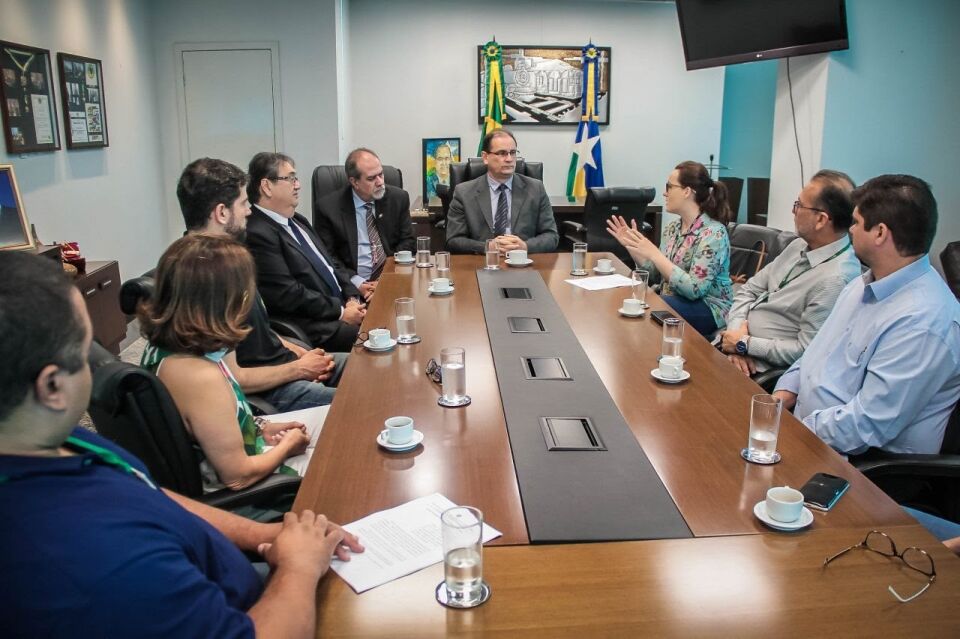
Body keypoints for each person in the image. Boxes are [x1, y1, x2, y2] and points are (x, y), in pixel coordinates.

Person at [0, 251, 362, 638]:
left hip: (232, 566)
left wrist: (268, 535)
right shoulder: (90, 559)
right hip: (259, 605)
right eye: (85, 345)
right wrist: (298, 567)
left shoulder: (50, 440)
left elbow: (150, 492)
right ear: (53, 387)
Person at [774, 174, 960, 455]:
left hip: (863, 469)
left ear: (880, 233)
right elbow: (816, 351)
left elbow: (868, 425)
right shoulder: (862, 284)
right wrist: (784, 392)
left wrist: (794, 431)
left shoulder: (924, 321)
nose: (849, 230)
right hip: (811, 434)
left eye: (856, 223)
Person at [140, 234, 317, 488]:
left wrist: (261, 428)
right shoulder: (199, 377)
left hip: (252, 452)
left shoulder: (169, 347)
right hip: (258, 492)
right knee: (347, 453)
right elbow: (238, 476)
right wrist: (287, 446)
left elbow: (209, 424)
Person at [177, 157, 347, 411]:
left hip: (285, 364)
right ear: (222, 213)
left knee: (373, 367)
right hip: (271, 390)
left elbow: (254, 330)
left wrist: (298, 352)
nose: (249, 211)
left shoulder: (228, 259)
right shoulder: (204, 277)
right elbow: (232, 378)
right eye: (244, 203)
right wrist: (297, 369)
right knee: (368, 397)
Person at [718, 170, 862, 376]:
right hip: (731, 345)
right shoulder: (798, 246)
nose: (793, 211)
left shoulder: (835, 279)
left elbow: (805, 351)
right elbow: (749, 289)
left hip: (757, 369)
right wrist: (735, 335)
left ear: (821, 219)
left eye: (799, 205)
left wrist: (745, 344)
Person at [245, 152, 366, 352]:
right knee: (376, 336)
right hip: (314, 325)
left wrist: (352, 298)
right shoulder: (257, 233)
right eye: (290, 178)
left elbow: (331, 264)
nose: (298, 185)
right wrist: (341, 312)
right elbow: (288, 293)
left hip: (341, 308)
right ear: (266, 186)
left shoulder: (297, 220)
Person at [607, 160, 734, 335]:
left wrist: (654, 253)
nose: (665, 193)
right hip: (672, 299)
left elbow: (694, 290)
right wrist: (633, 246)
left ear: (687, 191)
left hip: (709, 308)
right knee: (636, 303)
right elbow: (655, 274)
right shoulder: (673, 228)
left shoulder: (713, 234)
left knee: (654, 307)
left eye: (669, 187)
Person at [314, 148, 415, 295]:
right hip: (350, 287)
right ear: (354, 182)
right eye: (371, 178)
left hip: (391, 279)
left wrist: (385, 277)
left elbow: (408, 242)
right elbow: (327, 256)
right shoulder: (328, 208)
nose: (380, 182)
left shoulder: (398, 198)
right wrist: (356, 283)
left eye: (381, 174)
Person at [445, 129, 559, 255]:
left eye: (513, 152)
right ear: (485, 157)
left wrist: (525, 246)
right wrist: (488, 247)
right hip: (482, 264)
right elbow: (453, 240)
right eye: (502, 153)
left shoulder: (536, 189)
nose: (509, 159)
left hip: (523, 264)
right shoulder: (464, 192)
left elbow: (551, 236)